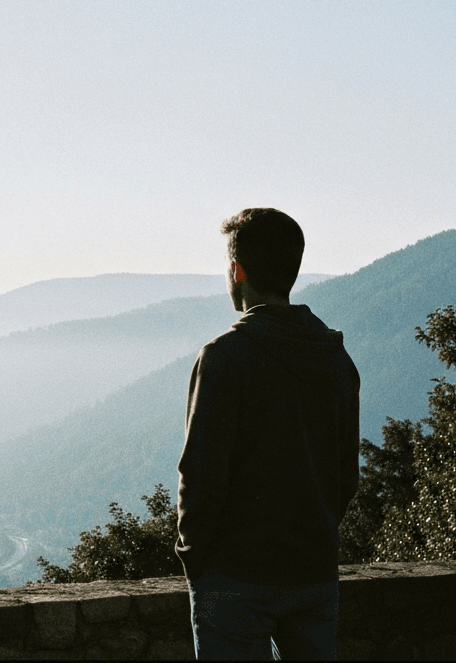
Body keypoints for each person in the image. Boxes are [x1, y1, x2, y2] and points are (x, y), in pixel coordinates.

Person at [175, 208, 360, 660]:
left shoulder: (223, 357)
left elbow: (201, 474)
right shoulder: (335, 359)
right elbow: (345, 477)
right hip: (314, 574)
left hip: (235, 578)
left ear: (236, 269)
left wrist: (194, 557)